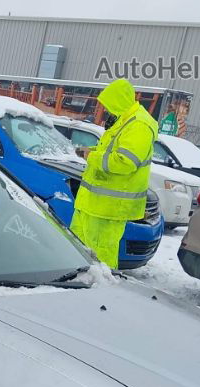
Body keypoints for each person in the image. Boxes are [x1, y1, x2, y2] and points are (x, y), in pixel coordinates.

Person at [70, 78, 158, 269]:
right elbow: (113, 152)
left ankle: (99, 292)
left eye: (109, 104)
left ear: (119, 100)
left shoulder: (139, 125)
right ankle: (79, 286)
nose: (107, 109)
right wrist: (91, 150)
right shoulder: (125, 121)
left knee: (100, 255)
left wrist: (91, 156)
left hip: (109, 207)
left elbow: (125, 162)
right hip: (92, 204)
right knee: (79, 249)